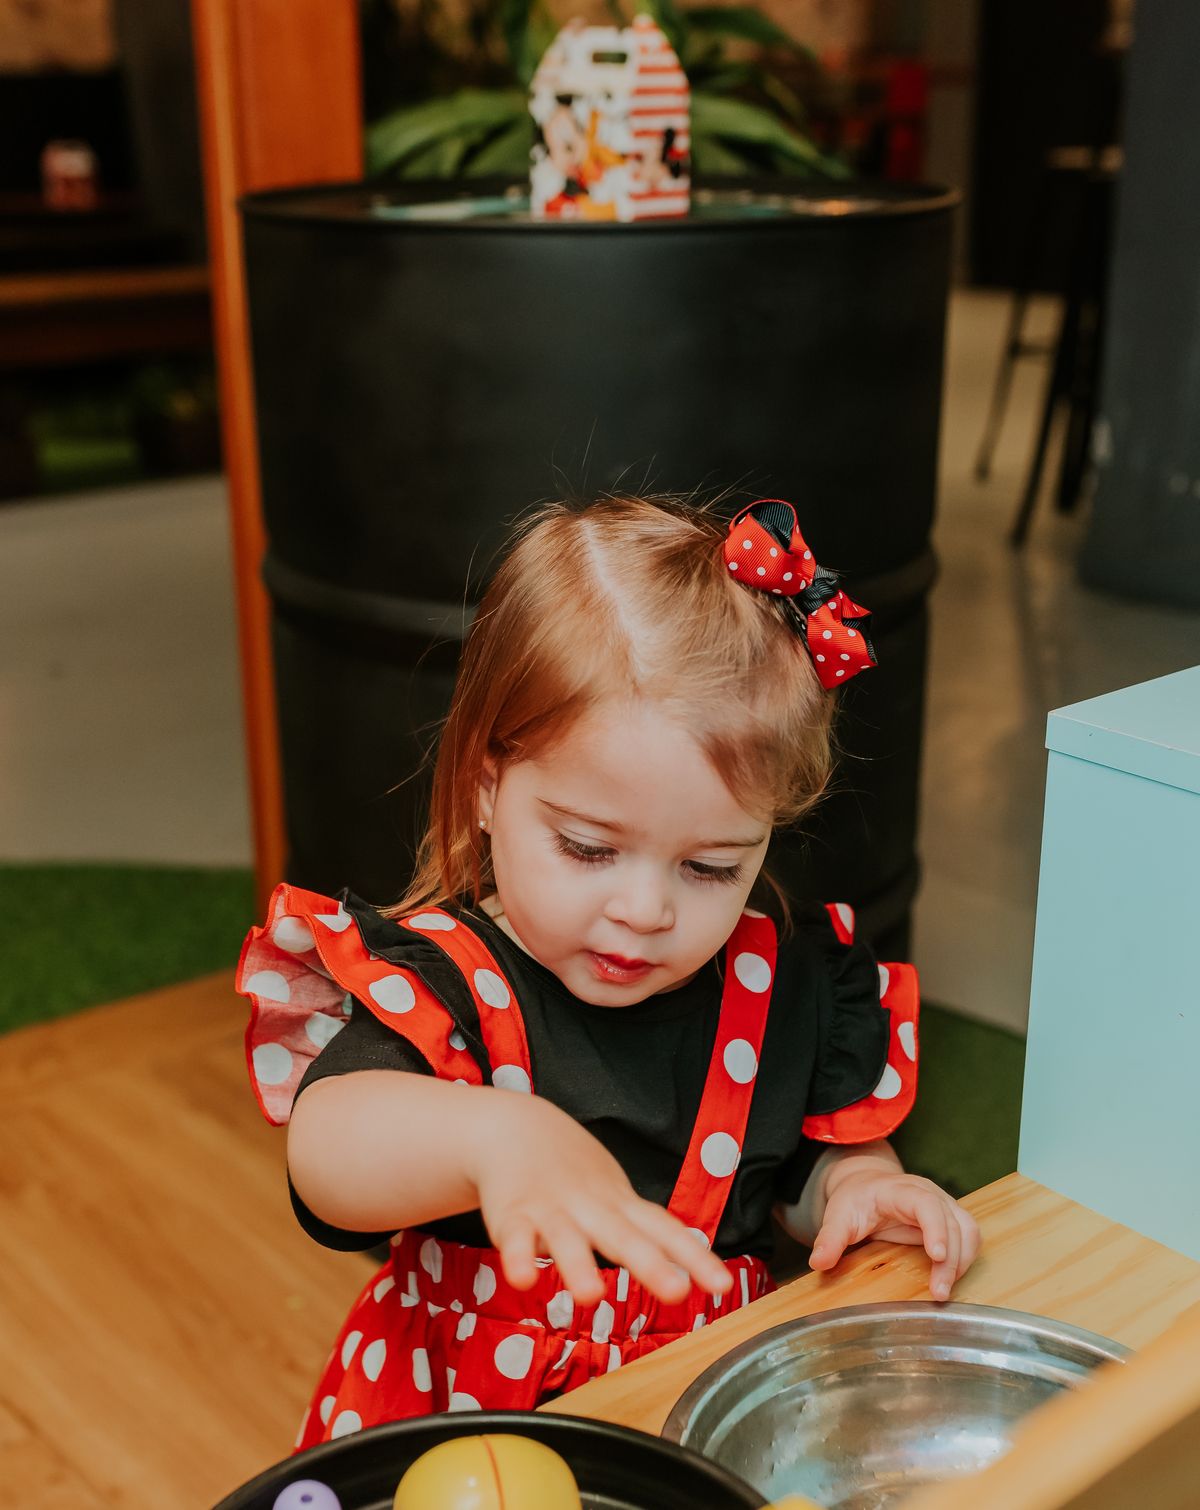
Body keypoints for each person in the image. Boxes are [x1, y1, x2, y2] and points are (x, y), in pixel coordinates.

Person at [239, 496, 980, 1448]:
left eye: (712, 866)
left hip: (699, 1416)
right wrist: (491, 1137)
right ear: (485, 786)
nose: (647, 911)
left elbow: (793, 1168)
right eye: (589, 849)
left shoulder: (781, 987)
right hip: (471, 1446)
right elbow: (325, 1153)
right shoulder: (448, 982)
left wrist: (855, 1187)